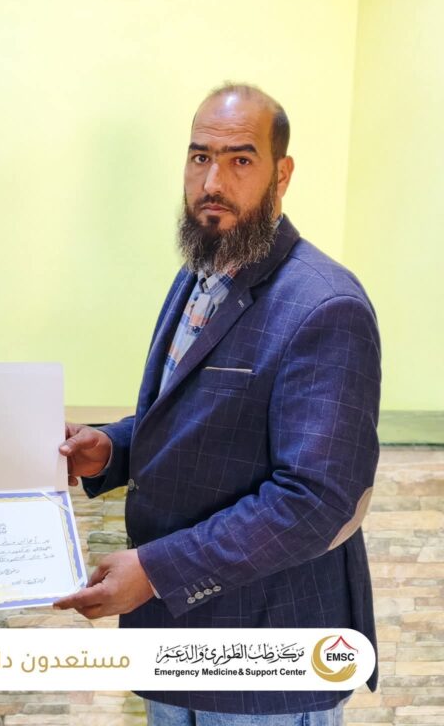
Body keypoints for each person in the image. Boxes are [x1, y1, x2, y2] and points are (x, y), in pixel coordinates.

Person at [55, 84, 380, 724]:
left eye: (240, 160)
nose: (212, 182)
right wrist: (111, 449)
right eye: (200, 156)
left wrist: (156, 570)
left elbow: (314, 500)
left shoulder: (325, 306)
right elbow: (196, 419)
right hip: (175, 650)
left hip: (265, 664)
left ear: (281, 174)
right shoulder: (202, 271)